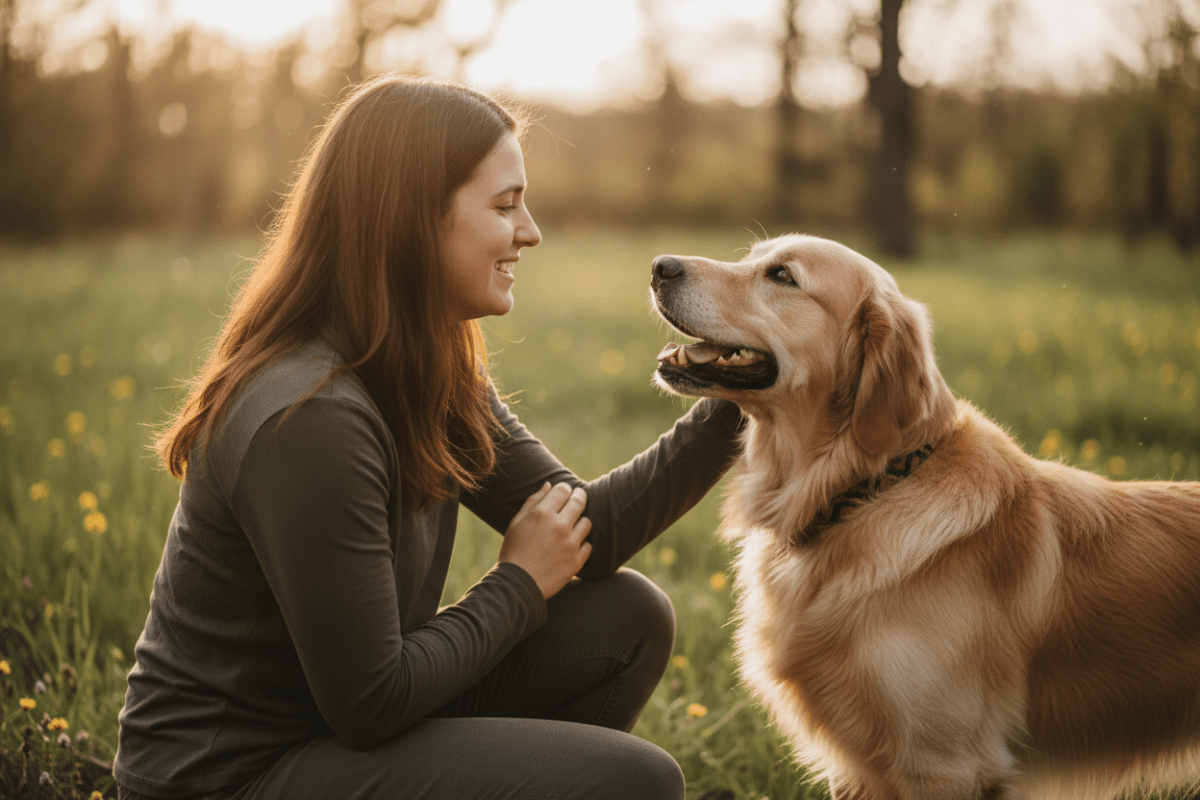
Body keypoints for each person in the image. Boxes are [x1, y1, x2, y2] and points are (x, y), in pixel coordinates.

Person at [113, 75, 743, 800]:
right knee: (635, 781)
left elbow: (586, 532)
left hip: (336, 735)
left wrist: (746, 385)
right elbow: (372, 703)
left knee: (624, 617)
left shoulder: (421, 364)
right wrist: (515, 585)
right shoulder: (309, 414)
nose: (530, 231)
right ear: (411, 218)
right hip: (231, 778)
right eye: (505, 205)